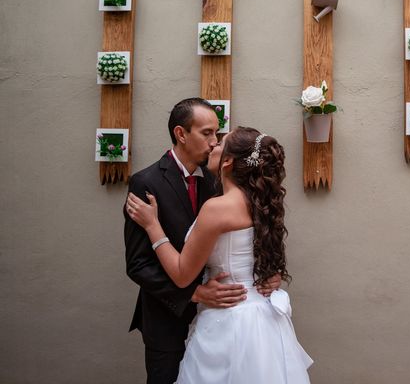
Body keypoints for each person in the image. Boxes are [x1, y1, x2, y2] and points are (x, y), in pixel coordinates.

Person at [126, 127, 312, 383]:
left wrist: (152, 226)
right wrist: (272, 276)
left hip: (228, 318)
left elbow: (182, 275)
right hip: (263, 319)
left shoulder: (217, 208)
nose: (213, 144)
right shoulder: (262, 202)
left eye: (220, 142)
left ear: (228, 161)